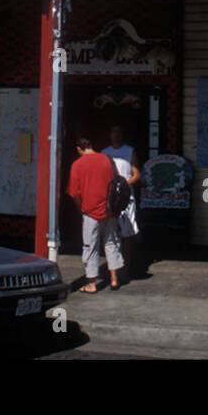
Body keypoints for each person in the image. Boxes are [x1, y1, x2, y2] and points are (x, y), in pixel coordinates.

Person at [67, 135, 124, 293]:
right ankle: (114, 279)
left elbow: (74, 193)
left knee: (90, 247)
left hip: (90, 212)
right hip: (109, 211)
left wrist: (81, 210)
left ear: (79, 149)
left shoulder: (77, 165)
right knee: (112, 243)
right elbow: (117, 182)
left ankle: (92, 283)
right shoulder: (107, 159)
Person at [102, 125, 142, 278]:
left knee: (127, 233)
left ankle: (126, 266)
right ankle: (114, 266)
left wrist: (124, 185)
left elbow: (136, 174)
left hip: (127, 198)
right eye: (113, 132)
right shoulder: (105, 153)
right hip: (111, 199)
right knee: (111, 233)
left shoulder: (129, 151)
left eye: (119, 132)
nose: (116, 135)